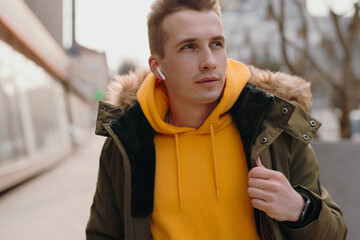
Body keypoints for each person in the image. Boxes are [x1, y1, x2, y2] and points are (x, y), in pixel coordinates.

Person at [86, 0, 347, 239]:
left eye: (216, 44)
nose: (209, 62)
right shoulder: (127, 141)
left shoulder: (274, 129)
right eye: (189, 47)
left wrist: (300, 210)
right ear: (157, 66)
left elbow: (336, 233)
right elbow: (102, 234)